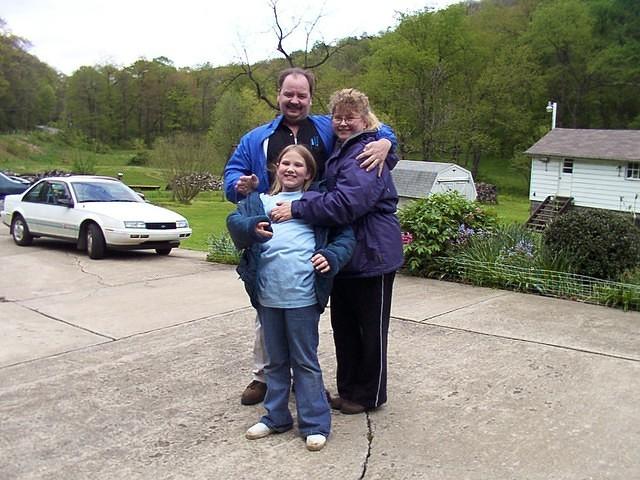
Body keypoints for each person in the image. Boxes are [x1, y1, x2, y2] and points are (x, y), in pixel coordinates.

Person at [223, 67, 398, 406]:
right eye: (289, 93)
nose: (295, 100)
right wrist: (238, 185)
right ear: (278, 95)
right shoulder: (256, 137)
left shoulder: (327, 128)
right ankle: (266, 377)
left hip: (323, 232)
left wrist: (386, 142)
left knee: (307, 309)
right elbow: (232, 174)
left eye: (301, 95)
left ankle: (327, 383)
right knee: (271, 308)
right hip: (275, 231)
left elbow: (368, 125)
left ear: (310, 99)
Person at [269, 88, 403, 415]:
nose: (343, 122)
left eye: (350, 117)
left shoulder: (366, 152)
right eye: (338, 117)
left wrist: (300, 206)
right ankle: (348, 390)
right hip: (348, 254)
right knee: (345, 328)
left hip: (373, 253)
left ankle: (368, 395)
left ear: (364, 118)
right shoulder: (344, 150)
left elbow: (346, 204)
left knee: (369, 330)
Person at [227, 144, 355, 452]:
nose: (291, 169)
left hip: (303, 295)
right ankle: (276, 417)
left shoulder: (317, 203)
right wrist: (250, 227)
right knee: (275, 362)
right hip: (268, 295)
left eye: (299, 165)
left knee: (305, 361)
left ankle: (315, 423)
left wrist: (331, 257)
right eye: (285, 163)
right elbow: (234, 224)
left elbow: (345, 237)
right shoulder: (259, 200)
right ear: (276, 167)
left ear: (309, 173)